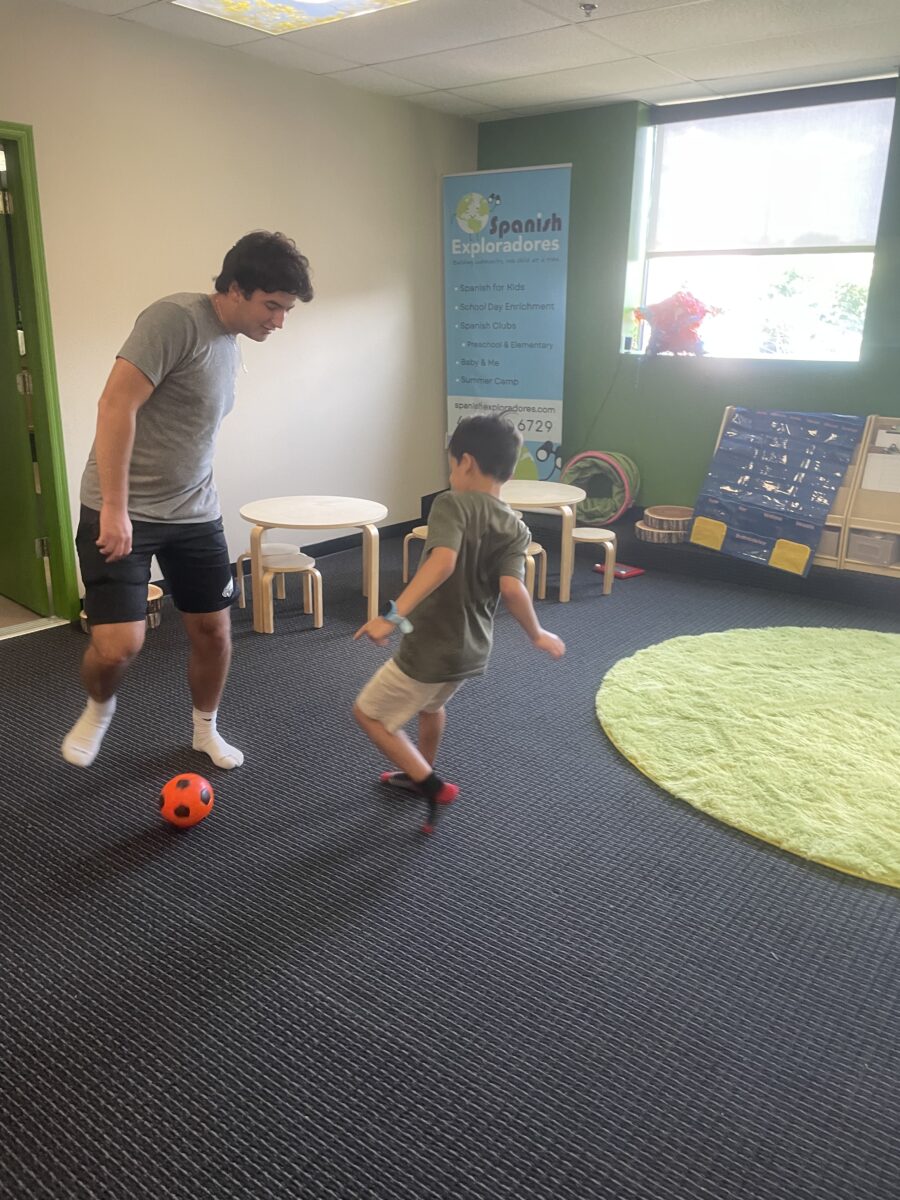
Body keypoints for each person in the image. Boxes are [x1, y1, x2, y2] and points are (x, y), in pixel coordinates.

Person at [62, 231, 313, 769]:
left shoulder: (230, 342)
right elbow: (114, 406)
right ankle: (98, 707)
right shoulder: (174, 319)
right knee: (117, 647)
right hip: (123, 508)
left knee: (214, 631)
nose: (279, 321)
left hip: (194, 510)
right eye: (272, 306)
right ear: (237, 289)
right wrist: (113, 507)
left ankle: (205, 730)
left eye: (286, 309)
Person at [353, 414, 565, 832]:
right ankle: (422, 773)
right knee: (432, 706)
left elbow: (442, 563)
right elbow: (512, 589)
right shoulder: (516, 527)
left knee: (369, 715)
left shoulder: (451, 503)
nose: (451, 474)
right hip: (472, 649)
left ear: (465, 463)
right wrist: (537, 634)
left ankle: (429, 783)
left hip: (431, 645)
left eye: (451, 465)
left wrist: (391, 617)